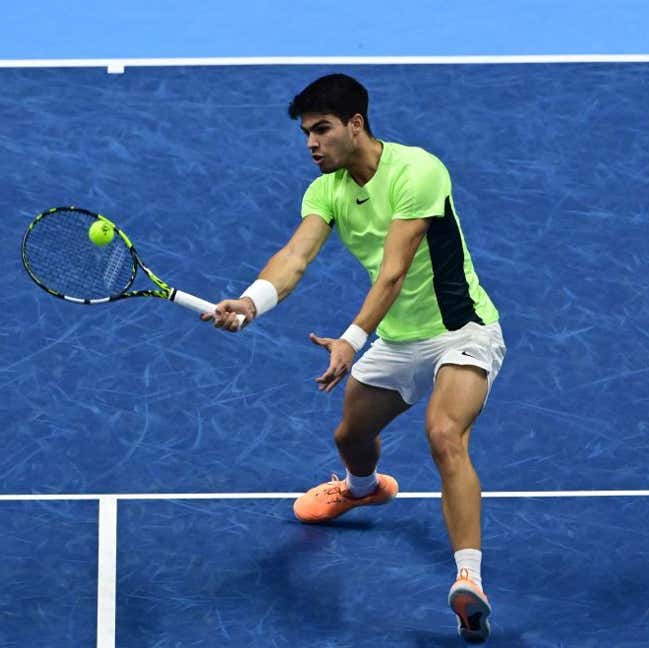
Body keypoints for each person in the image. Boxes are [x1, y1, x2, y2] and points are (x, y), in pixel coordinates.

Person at [204, 73, 505, 643]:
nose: (312, 144)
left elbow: (394, 270)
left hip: (460, 330)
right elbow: (294, 257)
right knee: (350, 437)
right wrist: (250, 302)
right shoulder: (326, 192)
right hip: (396, 340)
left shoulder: (419, 171)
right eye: (306, 134)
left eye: (322, 130)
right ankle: (363, 488)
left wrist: (351, 338)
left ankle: (470, 581)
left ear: (356, 125)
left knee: (444, 434)